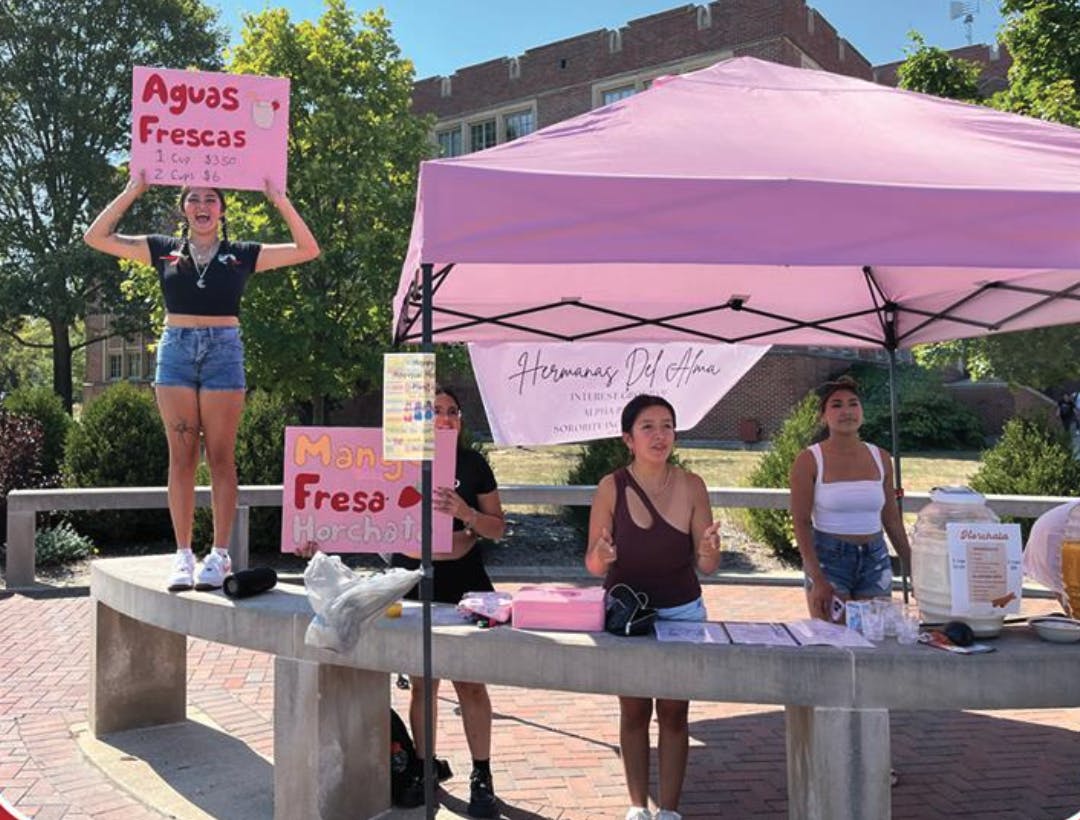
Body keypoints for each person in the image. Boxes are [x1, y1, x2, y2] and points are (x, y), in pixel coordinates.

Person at [84, 170, 319, 591]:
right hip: (175, 350)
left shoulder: (241, 254)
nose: (202, 205)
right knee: (182, 457)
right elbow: (96, 237)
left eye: (211, 198)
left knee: (221, 457)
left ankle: (219, 555)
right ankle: (183, 554)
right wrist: (133, 190)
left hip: (223, 352)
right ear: (184, 209)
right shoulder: (163, 250)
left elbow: (308, 249)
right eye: (193, 198)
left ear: (222, 210)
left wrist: (279, 200)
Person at [585, 394, 722, 820]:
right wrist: (602, 556)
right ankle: (636, 807)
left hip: (682, 612)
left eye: (667, 426)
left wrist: (709, 549)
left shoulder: (692, 484)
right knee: (634, 709)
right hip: (627, 616)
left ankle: (670, 810)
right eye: (648, 427)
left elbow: (708, 565)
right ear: (628, 439)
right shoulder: (611, 486)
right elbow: (593, 563)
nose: (659, 435)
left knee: (675, 712)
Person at [390, 385, 506, 818]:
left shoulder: (473, 465)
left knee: (470, 682)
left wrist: (467, 516)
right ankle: (424, 767)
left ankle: (482, 775)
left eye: (452, 411)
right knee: (423, 683)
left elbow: (497, 528)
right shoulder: (399, 461)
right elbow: (368, 513)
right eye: (434, 410)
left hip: (464, 585)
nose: (444, 418)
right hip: (414, 583)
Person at [789, 376, 912, 623]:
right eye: (836, 405)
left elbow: (891, 519)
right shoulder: (809, 460)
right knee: (835, 637)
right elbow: (801, 522)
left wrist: (912, 566)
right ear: (823, 416)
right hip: (829, 560)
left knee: (875, 634)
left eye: (853, 404)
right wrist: (817, 578)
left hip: (875, 559)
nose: (847, 411)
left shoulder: (880, 457)